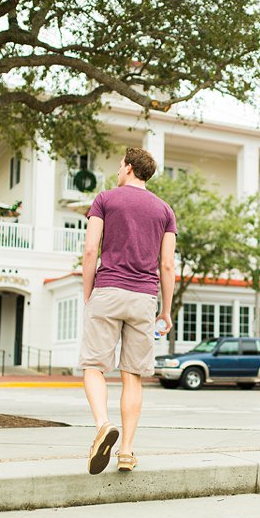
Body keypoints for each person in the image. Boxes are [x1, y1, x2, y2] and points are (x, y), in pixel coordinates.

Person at [79, 147, 176, 475]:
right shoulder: (165, 211)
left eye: (120, 165)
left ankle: (103, 425)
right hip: (144, 298)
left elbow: (91, 249)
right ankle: (127, 451)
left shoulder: (105, 199)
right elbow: (166, 264)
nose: (117, 170)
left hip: (108, 289)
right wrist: (166, 310)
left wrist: (88, 291)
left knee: (94, 366)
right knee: (132, 375)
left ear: (130, 168)